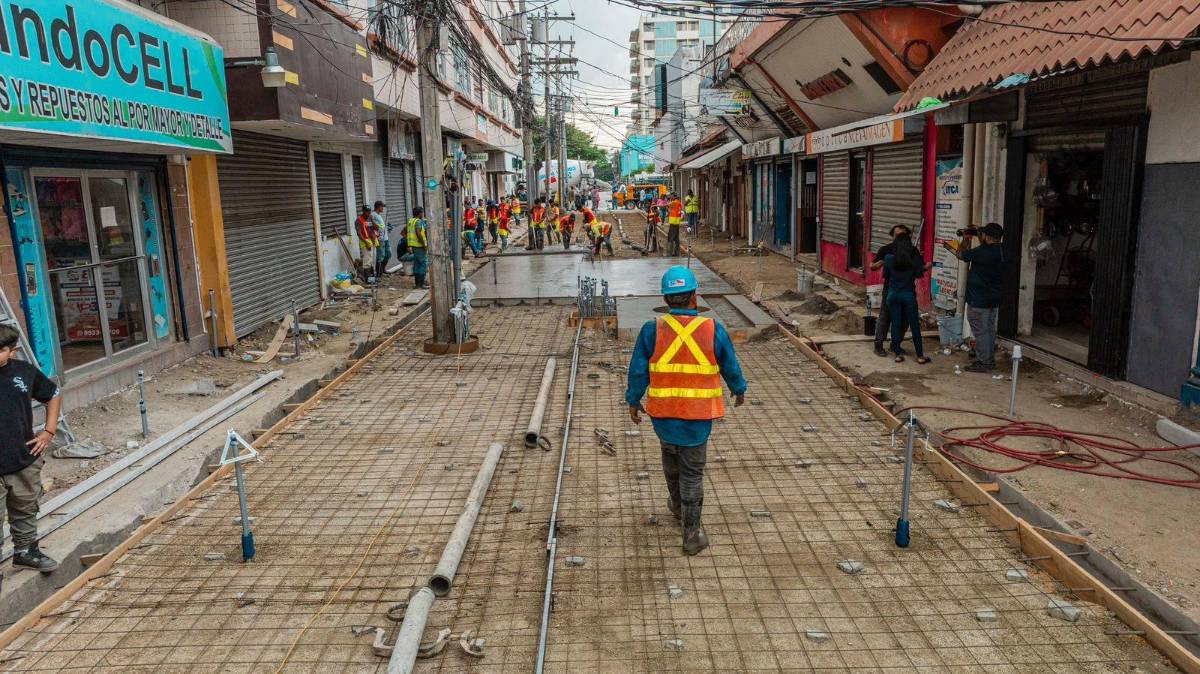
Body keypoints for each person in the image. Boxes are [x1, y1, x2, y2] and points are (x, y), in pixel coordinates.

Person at [625, 267, 747, 556]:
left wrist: (633, 401)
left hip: (663, 416)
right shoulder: (712, 329)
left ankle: (677, 505)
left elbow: (638, 371)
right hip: (697, 417)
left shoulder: (651, 329)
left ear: (666, 299)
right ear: (694, 297)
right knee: (692, 472)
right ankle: (691, 533)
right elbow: (730, 366)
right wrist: (739, 389)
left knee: (670, 458)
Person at [0, 324, 62, 572]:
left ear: (12, 351)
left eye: (1, 350)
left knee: (25, 507)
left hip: (23, 458)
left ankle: (25, 552)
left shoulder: (24, 372)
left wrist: (48, 431)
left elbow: (53, 394)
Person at [945, 222, 1007, 372]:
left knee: (981, 332)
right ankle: (988, 360)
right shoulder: (1003, 251)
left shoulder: (980, 253)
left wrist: (966, 239)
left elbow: (960, 254)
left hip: (978, 299)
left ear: (987, 237)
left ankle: (984, 363)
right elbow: (985, 248)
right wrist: (981, 233)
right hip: (994, 298)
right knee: (989, 330)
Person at [883, 232, 929, 363]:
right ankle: (920, 356)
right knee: (914, 325)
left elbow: (886, 275)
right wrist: (925, 267)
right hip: (908, 295)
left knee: (896, 324)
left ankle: (897, 354)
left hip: (893, 295)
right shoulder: (914, 259)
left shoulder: (888, 258)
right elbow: (919, 275)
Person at [870, 225, 914, 357]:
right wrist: (882, 262)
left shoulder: (912, 250)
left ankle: (896, 344)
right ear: (892, 236)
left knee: (905, 319)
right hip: (891, 289)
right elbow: (872, 266)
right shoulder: (886, 249)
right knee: (885, 316)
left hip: (908, 289)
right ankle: (878, 345)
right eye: (897, 235)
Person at [354, 204, 379, 282]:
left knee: (373, 260)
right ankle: (368, 279)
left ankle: (372, 278)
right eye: (367, 212)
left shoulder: (370, 218)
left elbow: (376, 228)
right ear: (363, 212)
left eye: (369, 212)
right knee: (367, 261)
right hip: (365, 242)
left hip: (373, 240)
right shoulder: (359, 220)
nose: (368, 213)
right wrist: (366, 243)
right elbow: (359, 233)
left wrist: (372, 220)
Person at [407, 206, 429, 289]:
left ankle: (417, 284)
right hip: (419, 246)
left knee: (417, 264)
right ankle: (421, 284)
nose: (423, 214)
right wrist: (424, 245)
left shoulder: (411, 221)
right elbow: (418, 233)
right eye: (422, 212)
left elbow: (406, 233)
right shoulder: (418, 221)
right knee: (423, 264)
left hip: (414, 246)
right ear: (419, 213)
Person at [372, 201, 391, 278]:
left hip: (385, 238)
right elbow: (372, 225)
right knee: (380, 256)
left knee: (388, 254)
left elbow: (381, 226)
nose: (383, 208)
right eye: (382, 207)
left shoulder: (379, 215)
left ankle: (383, 270)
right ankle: (378, 274)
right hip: (380, 238)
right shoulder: (373, 215)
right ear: (378, 207)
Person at [667, 192, 684, 257]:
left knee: (670, 237)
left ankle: (670, 253)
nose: (670, 198)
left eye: (671, 196)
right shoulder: (678, 202)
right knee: (676, 238)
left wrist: (655, 205)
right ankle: (676, 253)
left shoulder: (674, 202)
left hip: (673, 222)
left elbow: (666, 205)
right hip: (676, 222)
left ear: (674, 196)